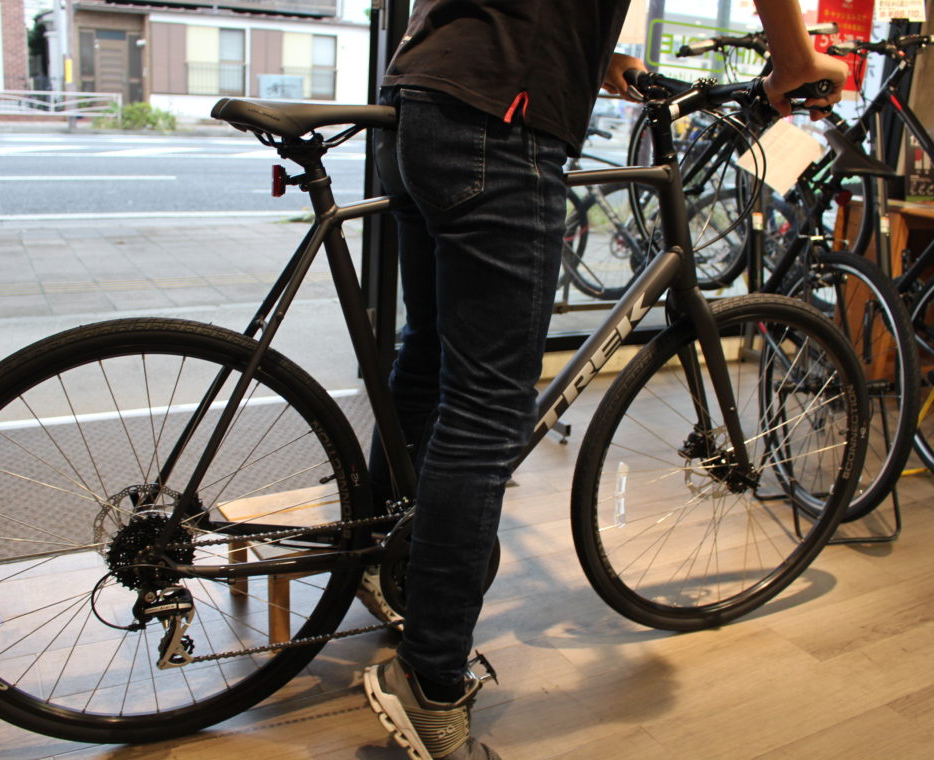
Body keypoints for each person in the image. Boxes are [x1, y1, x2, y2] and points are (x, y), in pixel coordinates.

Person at [362, 2, 848, 758]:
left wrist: (597, 58)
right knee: (486, 412)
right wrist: (797, 63)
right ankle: (430, 681)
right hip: (502, 119)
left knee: (427, 352)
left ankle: (378, 556)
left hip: (423, 93)